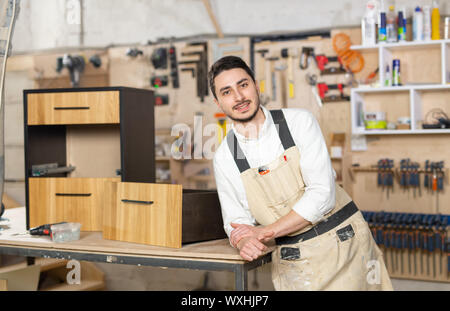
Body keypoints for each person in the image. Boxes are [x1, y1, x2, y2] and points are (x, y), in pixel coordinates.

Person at [209, 55, 393, 291]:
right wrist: (244, 240)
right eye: (226, 92)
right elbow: (236, 221)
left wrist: (265, 231)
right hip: (292, 259)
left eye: (243, 85)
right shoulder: (225, 156)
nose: (239, 97)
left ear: (256, 85)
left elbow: (322, 194)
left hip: (343, 245)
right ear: (217, 102)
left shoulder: (298, 122)